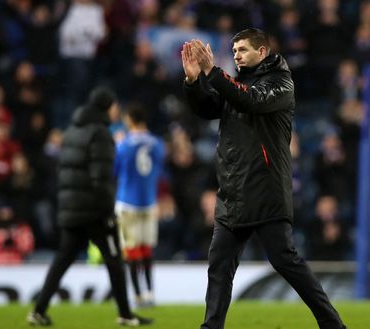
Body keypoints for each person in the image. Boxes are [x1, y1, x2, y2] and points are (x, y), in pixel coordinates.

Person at [181, 28, 346, 329]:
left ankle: (332, 323)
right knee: (219, 266)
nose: (236, 56)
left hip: (265, 188)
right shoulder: (235, 84)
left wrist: (212, 71)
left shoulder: (281, 83)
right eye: (234, 51)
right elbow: (208, 108)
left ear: (262, 52)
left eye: (242, 50)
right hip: (234, 190)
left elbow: (252, 101)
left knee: (285, 261)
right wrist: (194, 80)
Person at [26, 87, 151, 327]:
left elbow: (65, 173)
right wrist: (108, 211)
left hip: (71, 209)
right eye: (114, 105)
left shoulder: (71, 131)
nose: (117, 110)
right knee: (114, 260)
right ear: (107, 107)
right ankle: (125, 314)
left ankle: (38, 310)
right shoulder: (100, 133)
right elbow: (100, 178)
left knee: (62, 259)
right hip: (94, 211)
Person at [114, 103, 165, 307]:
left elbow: (115, 171)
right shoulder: (158, 143)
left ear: (129, 120)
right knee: (146, 249)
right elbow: (159, 170)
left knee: (131, 250)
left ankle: (137, 296)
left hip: (127, 203)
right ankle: (151, 293)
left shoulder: (123, 144)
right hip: (149, 202)